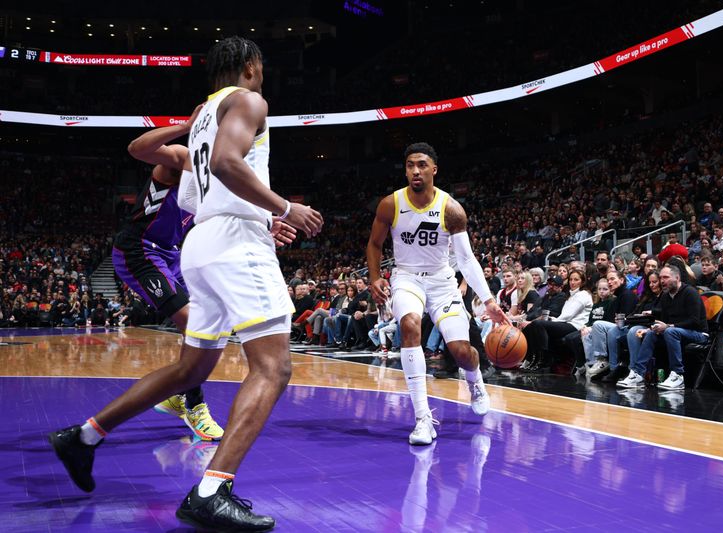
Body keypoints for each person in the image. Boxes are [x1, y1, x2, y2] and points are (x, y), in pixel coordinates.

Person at [49, 37, 324, 531]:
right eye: (262, 67)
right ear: (252, 66)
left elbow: (205, 192)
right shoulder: (248, 101)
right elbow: (225, 165)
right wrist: (286, 208)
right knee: (274, 367)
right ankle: (213, 489)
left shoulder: (204, 117)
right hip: (232, 247)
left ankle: (84, 436)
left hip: (201, 244)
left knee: (189, 371)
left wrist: (262, 221)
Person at [367, 142, 509, 446]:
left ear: (434, 169)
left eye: (421, 165)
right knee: (409, 327)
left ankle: (475, 380)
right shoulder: (390, 204)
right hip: (406, 278)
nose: (415, 171)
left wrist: (489, 301)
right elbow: (375, 245)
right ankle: (422, 419)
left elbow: (467, 261)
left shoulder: (451, 209)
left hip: (442, 282)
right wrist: (376, 277)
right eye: (409, 165)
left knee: (462, 353)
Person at [111, 110, 224, 441]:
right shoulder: (180, 160)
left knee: (205, 325)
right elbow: (137, 148)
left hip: (173, 254)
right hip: (140, 249)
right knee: (192, 323)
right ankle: (195, 406)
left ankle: (179, 394)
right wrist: (184, 128)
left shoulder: (223, 175)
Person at [617, 264, 707, 390]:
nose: (662, 281)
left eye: (666, 277)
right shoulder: (665, 296)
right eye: (661, 278)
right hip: (676, 331)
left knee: (670, 331)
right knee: (651, 334)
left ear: (677, 278)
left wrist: (669, 326)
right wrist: (651, 328)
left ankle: (678, 375)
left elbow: (695, 321)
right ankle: (638, 374)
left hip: (698, 334)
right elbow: (664, 320)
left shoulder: (690, 292)